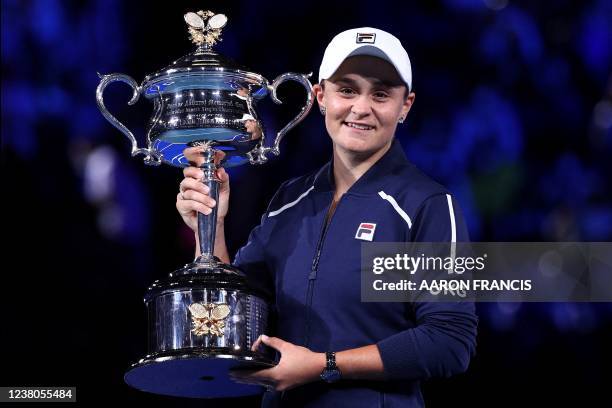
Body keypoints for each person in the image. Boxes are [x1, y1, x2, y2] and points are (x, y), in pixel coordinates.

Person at [176, 27, 478, 407]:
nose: (361, 107)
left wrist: (324, 365)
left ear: (406, 106)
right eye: (347, 90)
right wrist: (212, 226)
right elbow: (234, 321)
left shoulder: (427, 204)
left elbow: (450, 341)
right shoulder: (290, 200)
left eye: (381, 93)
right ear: (320, 96)